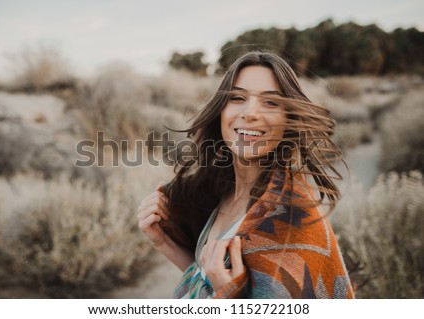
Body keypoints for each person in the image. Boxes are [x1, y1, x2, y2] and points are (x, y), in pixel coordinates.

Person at [137, 51, 354, 299]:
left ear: (288, 119)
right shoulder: (221, 193)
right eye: (238, 98)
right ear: (221, 110)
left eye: (270, 102)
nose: (250, 112)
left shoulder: (294, 220)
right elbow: (205, 278)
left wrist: (231, 295)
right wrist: (164, 243)